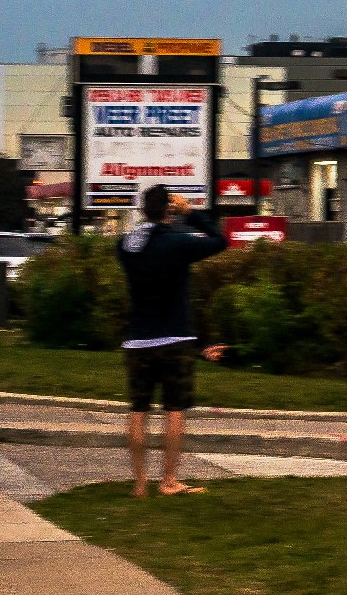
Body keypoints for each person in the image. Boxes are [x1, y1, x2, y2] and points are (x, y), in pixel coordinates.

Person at [116, 183, 230, 497]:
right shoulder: (178, 244)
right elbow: (220, 240)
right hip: (175, 337)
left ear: (142, 210)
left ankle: (139, 484)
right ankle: (168, 480)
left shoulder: (126, 245)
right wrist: (190, 213)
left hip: (138, 339)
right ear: (169, 209)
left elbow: (136, 239)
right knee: (174, 409)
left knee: (138, 410)